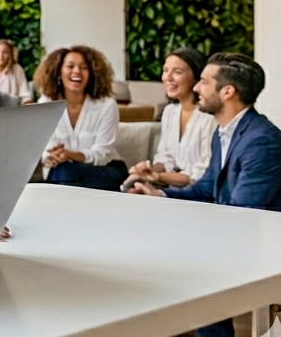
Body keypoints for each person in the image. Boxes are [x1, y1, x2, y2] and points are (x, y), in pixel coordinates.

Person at [129, 53, 281, 337]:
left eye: (203, 81)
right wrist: (159, 196)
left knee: (188, 270)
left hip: (264, 243)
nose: (196, 88)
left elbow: (244, 212)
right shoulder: (224, 133)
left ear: (227, 91)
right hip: (237, 233)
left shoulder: (261, 140)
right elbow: (206, 189)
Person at [35, 45, 128, 191]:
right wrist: (51, 156)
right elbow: (44, 149)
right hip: (61, 171)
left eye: (84, 67)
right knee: (64, 171)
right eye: (70, 66)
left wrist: (70, 155)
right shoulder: (46, 104)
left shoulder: (106, 105)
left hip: (102, 171)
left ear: (92, 73)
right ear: (58, 72)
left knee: (65, 174)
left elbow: (102, 154)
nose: (77, 71)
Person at [123, 48, 216, 190]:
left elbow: (201, 173)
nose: (168, 77)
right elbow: (166, 157)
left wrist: (158, 177)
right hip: (171, 184)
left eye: (177, 72)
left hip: (198, 190)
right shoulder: (170, 112)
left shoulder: (209, 117)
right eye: (165, 70)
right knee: (132, 184)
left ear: (197, 77)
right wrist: (149, 169)